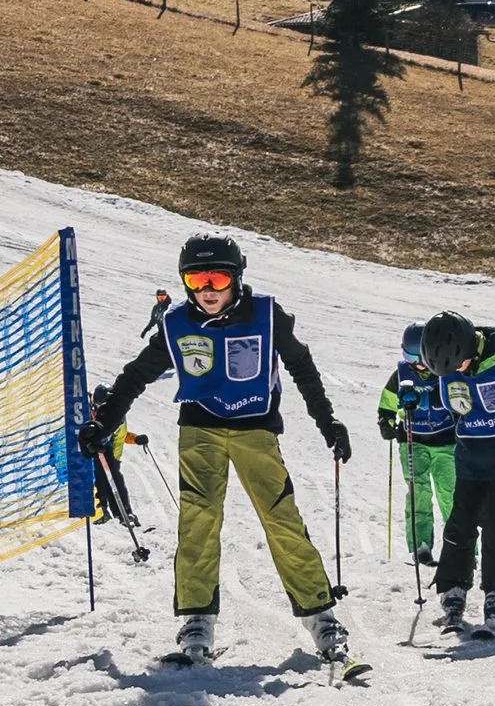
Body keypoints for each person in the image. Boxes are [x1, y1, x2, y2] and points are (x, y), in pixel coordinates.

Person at [87, 231, 352, 665]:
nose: (207, 291)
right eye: (196, 281)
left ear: (237, 278)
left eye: (216, 279)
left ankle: (321, 617)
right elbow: (136, 375)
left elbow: (302, 367)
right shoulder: (176, 324)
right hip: (200, 430)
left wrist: (328, 421)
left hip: (256, 431)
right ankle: (197, 621)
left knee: (281, 518)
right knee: (198, 523)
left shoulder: (267, 315)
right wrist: (103, 423)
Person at [397, 311, 495, 638]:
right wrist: (413, 398)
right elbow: (426, 386)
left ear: (468, 349)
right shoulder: (447, 365)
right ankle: (453, 587)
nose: (456, 373)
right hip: (470, 456)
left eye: (457, 366)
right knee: (460, 522)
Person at [375, 321, 458, 581]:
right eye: (408, 357)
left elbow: (455, 401)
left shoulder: (446, 373)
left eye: (419, 358)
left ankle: (462, 547)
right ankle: (421, 546)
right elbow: (387, 404)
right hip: (413, 441)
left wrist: (425, 398)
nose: (416, 365)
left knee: (450, 493)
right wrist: (386, 422)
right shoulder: (400, 375)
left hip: (446, 442)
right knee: (418, 493)